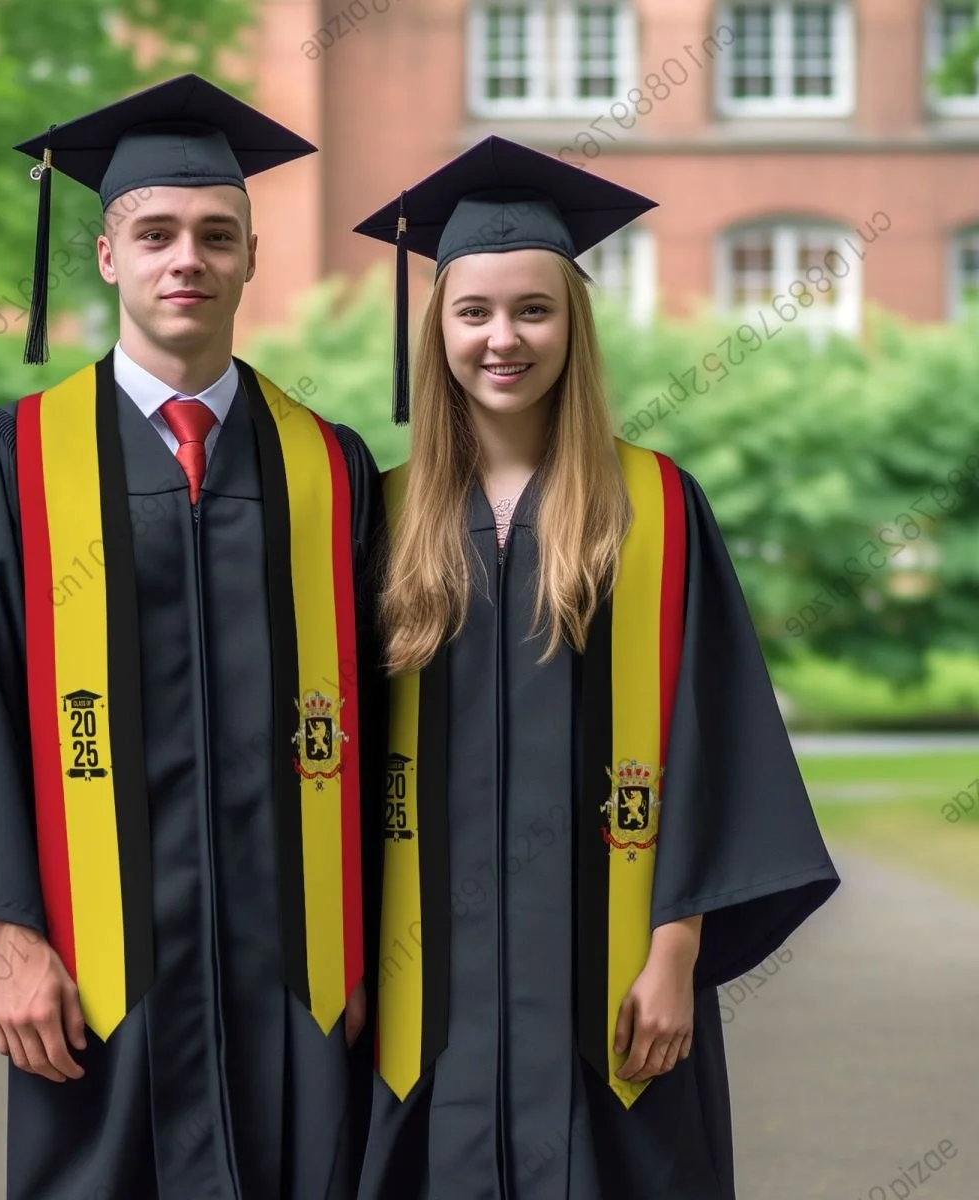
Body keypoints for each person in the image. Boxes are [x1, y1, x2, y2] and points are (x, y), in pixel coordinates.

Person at [0, 74, 384, 1200]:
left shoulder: (329, 470)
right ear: (107, 257)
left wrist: (387, 958)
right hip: (103, 981)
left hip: (297, 983)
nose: (184, 259)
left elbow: (397, 728)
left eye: (213, 234)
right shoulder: (20, 459)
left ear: (252, 255)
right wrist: (10, 941)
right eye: (155, 234)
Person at [350, 135, 841, 1198]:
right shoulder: (377, 517)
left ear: (575, 328)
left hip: (611, 994)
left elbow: (715, 741)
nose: (503, 339)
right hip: (422, 1000)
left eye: (535, 309)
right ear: (434, 330)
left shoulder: (655, 510)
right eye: (472, 312)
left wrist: (676, 956)